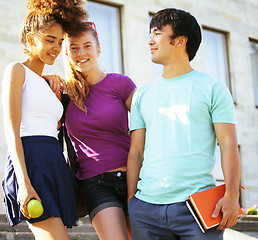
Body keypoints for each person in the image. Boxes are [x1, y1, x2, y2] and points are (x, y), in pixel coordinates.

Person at [127, 8, 241, 240]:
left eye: (157, 33)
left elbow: (228, 144)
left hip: (197, 209)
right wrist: (132, 203)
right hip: (146, 209)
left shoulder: (212, 88)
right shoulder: (142, 95)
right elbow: (136, 152)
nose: (150, 41)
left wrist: (231, 196)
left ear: (180, 40)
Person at [1, 0, 87, 239]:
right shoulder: (16, 70)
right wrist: (24, 183)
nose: (57, 48)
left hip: (54, 162)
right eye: (50, 40)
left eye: (60, 42)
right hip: (32, 162)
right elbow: (11, 131)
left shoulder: (49, 82)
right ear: (30, 40)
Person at [60, 21, 136, 240]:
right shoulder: (64, 95)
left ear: (98, 49)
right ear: (67, 53)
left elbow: (149, 125)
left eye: (87, 46)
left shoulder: (121, 84)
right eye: (73, 48)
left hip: (136, 179)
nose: (81, 53)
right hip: (96, 183)